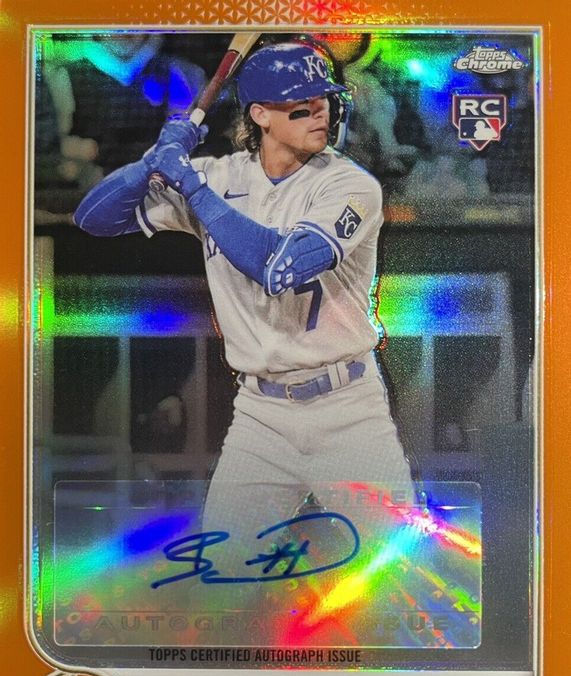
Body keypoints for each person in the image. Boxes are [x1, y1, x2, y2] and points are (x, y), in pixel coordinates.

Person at [74, 41, 416, 642]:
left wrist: (191, 187)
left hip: (349, 410)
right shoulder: (221, 176)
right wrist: (152, 161)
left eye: (324, 103)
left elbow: (279, 268)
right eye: (301, 106)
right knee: (223, 583)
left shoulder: (350, 185)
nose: (320, 114)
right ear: (260, 115)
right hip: (261, 415)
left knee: (392, 579)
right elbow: (94, 219)